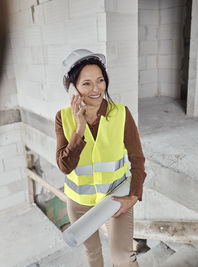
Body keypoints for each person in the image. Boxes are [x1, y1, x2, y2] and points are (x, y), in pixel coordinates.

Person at [55, 49, 146, 267]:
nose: (96, 89)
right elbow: (64, 166)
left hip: (115, 199)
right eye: (86, 83)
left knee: (123, 258)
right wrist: (79, 129)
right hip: (79, 202)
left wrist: (133, 197)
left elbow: (137, 160)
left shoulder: (122, 113)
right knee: (92, 253)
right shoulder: (63, 118)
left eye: (100, 80)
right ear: (73, 88)